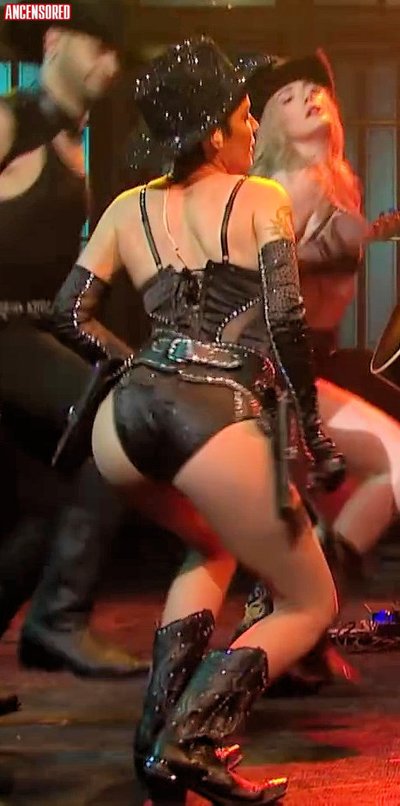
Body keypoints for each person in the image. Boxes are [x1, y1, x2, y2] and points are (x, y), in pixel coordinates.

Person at [48, 36, 346, 804]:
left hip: (122, 424)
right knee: (310, 601)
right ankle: (191, 740)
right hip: (212, 415)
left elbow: (69, 312)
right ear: (213, 133)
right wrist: (313, 432)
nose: (252, 129)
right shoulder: (262, 199)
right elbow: (284, 322)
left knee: (211, 547)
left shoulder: (128, 206)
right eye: (245, 116)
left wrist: (135, 361)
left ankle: (154, 739)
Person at [232, 50, 400, 685]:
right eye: (288, 95)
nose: (309, 98)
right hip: (271, 367)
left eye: (316, 90)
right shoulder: (279, 187)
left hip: (304, 363)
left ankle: (294, 633)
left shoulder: (330, 182)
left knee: (309, 514)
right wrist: (342, 240)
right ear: (268, 123)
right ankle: (292, 633)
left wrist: (361, 235)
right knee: (389, 466)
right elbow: (258, 279)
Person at [0, 0, 148, 682]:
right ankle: (58, 619)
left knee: (50, 507)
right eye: (99, 47)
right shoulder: (11, 120)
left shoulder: (71, 142)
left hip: (32, 334)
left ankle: (49, 624)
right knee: (111, 423)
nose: (109, 64)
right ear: (56, 39)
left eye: (117, 54)